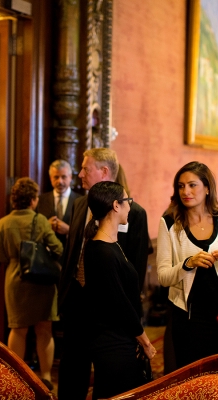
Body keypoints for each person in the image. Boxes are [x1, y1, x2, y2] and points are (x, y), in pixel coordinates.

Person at [58, 148, 149, 400]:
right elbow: (72, 252)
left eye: (86, 168)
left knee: (111, 378)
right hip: (76, 299)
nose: (80, 173)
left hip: (111, 310)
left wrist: (133, 317)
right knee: (72, 371)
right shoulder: (79, 203)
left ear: (104, 172)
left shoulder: (134, 213)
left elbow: (136, 268)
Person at [156, 161, 218, 369]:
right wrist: (188, 263)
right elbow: (163, 277)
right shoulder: (169, 223)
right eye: (180, 186)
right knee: (192, 375)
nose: (185, 191)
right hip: (188, 315)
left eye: (192, 185)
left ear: (207, 188)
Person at [84, 181, 156, 399]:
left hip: (122, 338)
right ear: (116, 205)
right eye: (127, 201)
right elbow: (121, 304)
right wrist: (145, 341)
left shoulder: (112, 245)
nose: (129, 207)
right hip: (112, 342)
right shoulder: (101, 251)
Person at [0, 177, 63, 389]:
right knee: (44, 330)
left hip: (16, 280)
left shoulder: (3, 223)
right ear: (33, 200)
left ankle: (17, 378)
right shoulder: (40, 220)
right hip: (42, 281)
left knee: (18, 329)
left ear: (14, 199)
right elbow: (58, 249)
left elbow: (1, 256)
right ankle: (46, 377)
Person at [37, 159, 81, 247]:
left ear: (70, 177)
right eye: (56, 177)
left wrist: (69, 230)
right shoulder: (40, 200)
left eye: (64, 177)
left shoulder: (80, 201)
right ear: (50, 178)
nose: (60, 181)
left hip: (71, 253)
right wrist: (46, 227)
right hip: (45, 255)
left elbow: (85, 231)